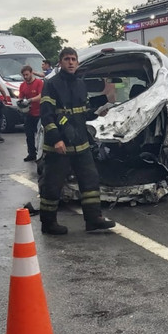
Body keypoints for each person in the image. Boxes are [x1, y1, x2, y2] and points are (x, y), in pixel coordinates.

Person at [39, 47, 115, 235]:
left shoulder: (81, 85)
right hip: (59, 146)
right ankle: (48, 224)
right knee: (52, 185)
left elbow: (84, 113)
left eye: (73, 59)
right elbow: (47, 116)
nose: (71, 62)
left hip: (81, 144)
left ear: (78, 63)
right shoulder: (51, 84)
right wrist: (56, 140)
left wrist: (97, 112)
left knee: (90, 181)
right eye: (67, 59)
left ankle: (93, 220)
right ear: (60, 63)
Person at [17, 64, 43, 162]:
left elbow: (41, 96)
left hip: (39, 113)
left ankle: (41, 155)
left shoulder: (39, 83)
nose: (25, 77)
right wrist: (20, 103)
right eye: (24, 75)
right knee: (29, 135)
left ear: (31, 73)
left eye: (27, 74)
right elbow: (21, 97)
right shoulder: (23, 85)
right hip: (29, 113)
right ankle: (31, 153)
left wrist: (30, 100)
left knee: (40, 136)